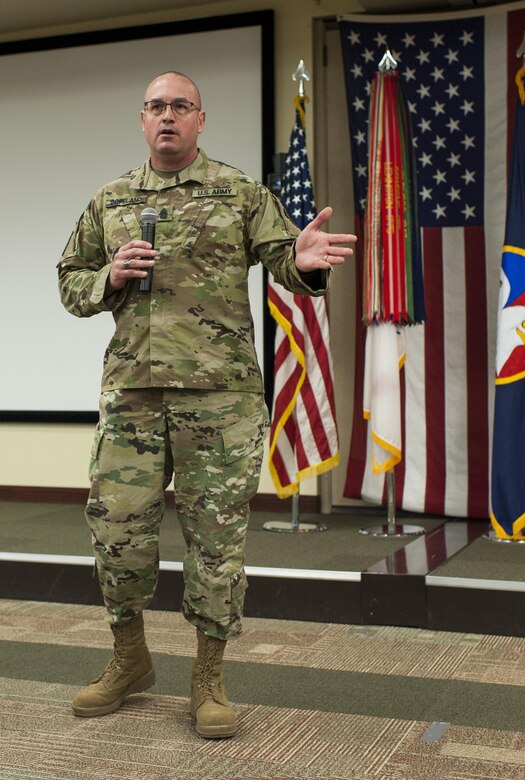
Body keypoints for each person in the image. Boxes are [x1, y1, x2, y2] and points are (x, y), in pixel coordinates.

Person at [57, 71, 355, 739]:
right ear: (142, 120)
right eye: (156, 106)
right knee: (117, 533)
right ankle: (129, 657)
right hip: (132, 396)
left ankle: (207, 675)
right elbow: (70, 282)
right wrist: (109, 277)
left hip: (220, 400)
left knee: (214, 543)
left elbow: (287, 260)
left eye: (180, 106)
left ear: (199, 120)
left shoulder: (241, 193)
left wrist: (304, 262)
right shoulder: (109, 200)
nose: (168, 116)